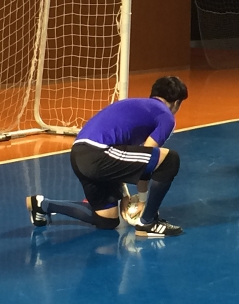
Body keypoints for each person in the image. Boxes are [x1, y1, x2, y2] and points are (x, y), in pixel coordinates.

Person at [26, 76, 188, 238]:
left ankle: (42, 204)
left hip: (79, 154)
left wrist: (125, 195)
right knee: (169, 159)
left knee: (107, 220)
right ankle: (148, 223)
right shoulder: (165, 115)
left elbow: (124, 158)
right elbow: (149, 157)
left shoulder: (133, 105)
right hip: (99, 154)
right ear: (176, 103)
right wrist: (143, 201)